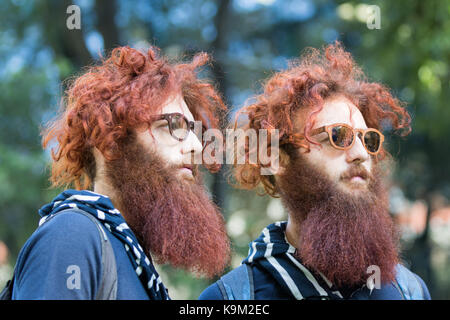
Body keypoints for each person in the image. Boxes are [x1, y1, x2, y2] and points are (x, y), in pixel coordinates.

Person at [199, 42, 431, 300]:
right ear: (278, 158)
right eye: (338, 136)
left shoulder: (409, 290)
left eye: (368, 140)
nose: (361, 153)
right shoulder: (232, 298)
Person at [9, 46, 231, 299]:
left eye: (193, 130)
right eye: (173, 125)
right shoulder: (72, 236)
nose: (196, 146)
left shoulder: (132, 256)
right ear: (111, 140)